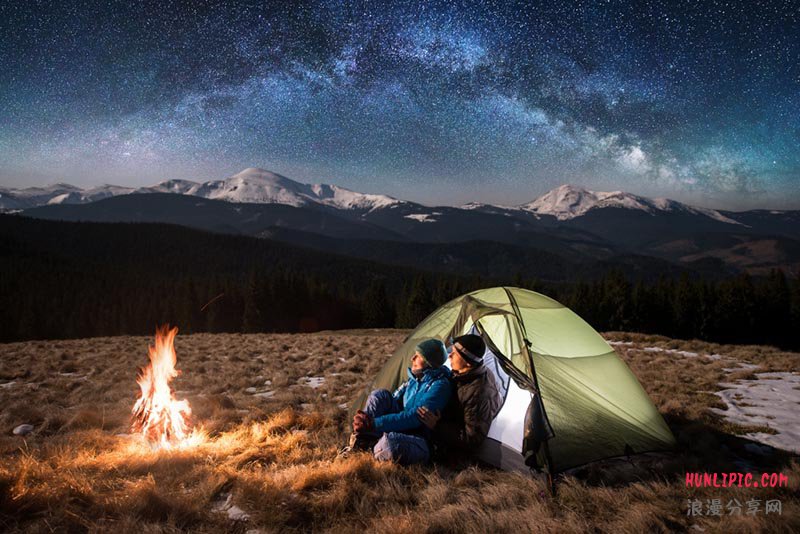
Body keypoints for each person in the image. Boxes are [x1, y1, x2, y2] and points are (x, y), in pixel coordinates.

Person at [345, 338, 452, 465]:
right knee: (380, 395)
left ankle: (370, 452)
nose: (412, 358)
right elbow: (393, 400)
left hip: (421, 439)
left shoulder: (440, 386)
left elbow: (415, 417)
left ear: (430, 362)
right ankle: (360, 442)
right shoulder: (414, 379)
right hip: (403, 430)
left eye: (418, 356)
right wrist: (365, 420)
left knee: (390, 443)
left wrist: (375, 423)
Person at [417, 334, 502, 464]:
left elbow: (472, 439)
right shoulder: (463, 373)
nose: (449, 355)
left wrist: (437, 425)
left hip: (454, 449)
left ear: (468, 362)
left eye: (455, 354)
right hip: (446, 427)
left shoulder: (479, 393)